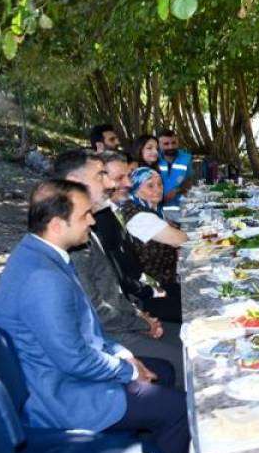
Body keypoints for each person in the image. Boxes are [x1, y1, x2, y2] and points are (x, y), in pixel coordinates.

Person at [0, 180, 193, 453]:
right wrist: (127, 369)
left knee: (165, 371)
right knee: (181, 409)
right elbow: (74, 359)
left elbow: (85, 332)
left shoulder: (38, 254)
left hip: (63, 373)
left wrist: (124, 355)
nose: (93, 221)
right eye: (85, 216)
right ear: (57, 225)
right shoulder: (43, 278)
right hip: (62, 396)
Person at [75, 151, 185, 384]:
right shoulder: (80, 238)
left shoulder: (105, 218)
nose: (126, 182)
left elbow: (117, 283)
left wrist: (138, 313)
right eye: (105, 177)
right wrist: (141, 319)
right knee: (188, 358)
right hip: (113, 334)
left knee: (192, 338)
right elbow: (98, 309)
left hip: (131, 308)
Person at [120, 167, 188, 306]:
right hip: (157, 290)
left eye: (160, 184)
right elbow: (180, 240)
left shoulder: (149, 208)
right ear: (136, 189)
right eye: (150, 185)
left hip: (166, 279)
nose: (158, 189)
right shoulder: (140, 217)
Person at [155, 129, 192, 204]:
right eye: (166, 144)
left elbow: (189, 181)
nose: (170, 147)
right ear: (159, 145)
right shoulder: (154, 159)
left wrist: (176, 190)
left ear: (178, 143)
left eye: (173, 143)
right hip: (157, 206)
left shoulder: (186, 158)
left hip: (180, 206)